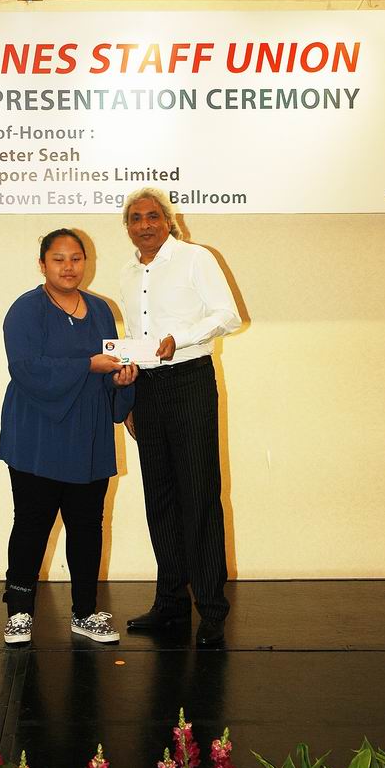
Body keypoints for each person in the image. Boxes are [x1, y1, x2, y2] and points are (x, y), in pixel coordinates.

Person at [0, 228, 138, 646]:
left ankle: (85, 612)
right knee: (31, 524)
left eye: (76, 258)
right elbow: (25, 368)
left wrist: (121, 380)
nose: (68, 266)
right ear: (42, 264)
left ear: (85, 263)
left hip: (87, 434)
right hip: (37, 434)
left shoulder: (100, 310)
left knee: (87, 526)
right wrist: (87, 366)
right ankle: (19, 613)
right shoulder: (25, 309)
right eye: (58, 259)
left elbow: (110, 367)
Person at [120, 188, 241, 646]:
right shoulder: (128, 273)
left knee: (200, 496)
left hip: (189, 381)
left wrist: (181, 338)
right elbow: (135, 339)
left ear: (168, 221)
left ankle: (211, 609)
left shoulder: (196, 259)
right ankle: (170, 604)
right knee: (160, 498)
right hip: (147, 389)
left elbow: (228, 316)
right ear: (128, 227)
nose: (145, 225)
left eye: (153, 216)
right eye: (136, 218)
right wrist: (130, 398)